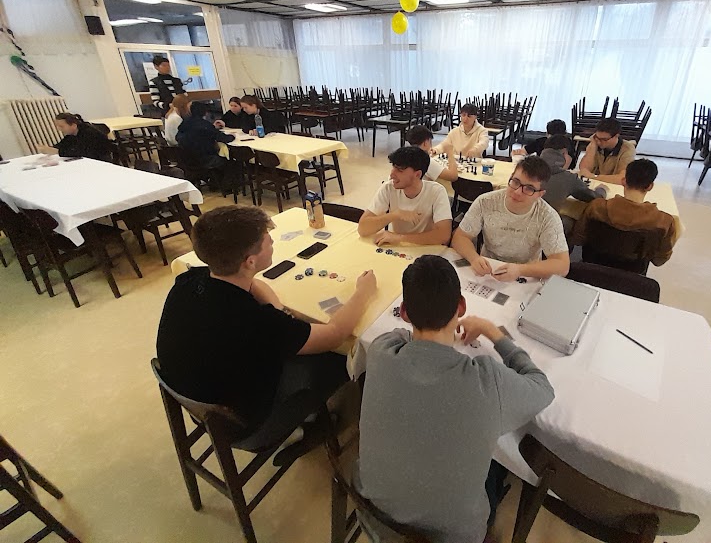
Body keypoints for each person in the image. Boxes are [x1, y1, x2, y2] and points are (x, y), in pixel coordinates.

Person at [357, 255, 554, 543]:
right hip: (453, 537)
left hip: (375, 521)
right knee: (499, 462)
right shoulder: (487, 381)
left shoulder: (380, 350)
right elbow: (542, 388)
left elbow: (400, 335)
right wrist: (493, 332)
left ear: (405, 312)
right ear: (461, 307)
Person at [156, 205, 378, 450]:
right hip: (244, 426)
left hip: (198, 400)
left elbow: (253, 284)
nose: (272, 241)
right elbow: (335, 334)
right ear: (250, 261)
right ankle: (304, 426)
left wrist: (279, 311)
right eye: (266, 240)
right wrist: (363, 293)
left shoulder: (190, 280)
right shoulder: (256, 321)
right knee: (337, 358)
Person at [451, 156, 570, 281]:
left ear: (540, 194)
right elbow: (460, 237)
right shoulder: (485, 201)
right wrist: (474, 258)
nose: (517, 192)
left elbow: (562, 265)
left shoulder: (547, 216)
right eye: (515, 182)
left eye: (529, 188)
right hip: (488, 269)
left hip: (527, 275)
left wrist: (520, 270)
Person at [570, 159, 677, 266]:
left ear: (624, 181)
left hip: (592, 264)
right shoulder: (664, 221)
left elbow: (578, 238)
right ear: (650, 186)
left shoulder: (597, 207)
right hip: (633, 271)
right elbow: (659, 260)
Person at [359, 147, 452, 247]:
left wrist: (400, 237)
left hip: (424, 248)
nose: (392, 174)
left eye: (399, 170)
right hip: (396, 248)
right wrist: (395, 215)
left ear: (417, 174)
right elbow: (363, 229)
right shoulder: (388, 188)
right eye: (393, 167)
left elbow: (444, 235)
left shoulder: (436, 191)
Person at [540, 135, 606, 210]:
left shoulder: (530, 166)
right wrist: (601, 190)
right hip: (546, 217)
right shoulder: (568, 178)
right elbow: (595, 198)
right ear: (564, 152)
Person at [578, 118, 636, 185]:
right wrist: (593, 147)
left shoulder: (627, 149)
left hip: (614, 186)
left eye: (604, 139)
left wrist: (594, 177)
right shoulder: (595, 143)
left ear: (616, 136)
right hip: (596, 184)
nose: (599, 142)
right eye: (597, 137)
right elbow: (584, 170)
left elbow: (623, 178)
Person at [35, 113, 114, 162]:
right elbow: (64, 144)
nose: (59, 129)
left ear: (73, 125)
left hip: (99, 161)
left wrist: (57, 151)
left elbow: (80, 152)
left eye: (61, 126)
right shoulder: (72, 133)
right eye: (57, 126)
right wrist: (50, 148)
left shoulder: (88, 133)